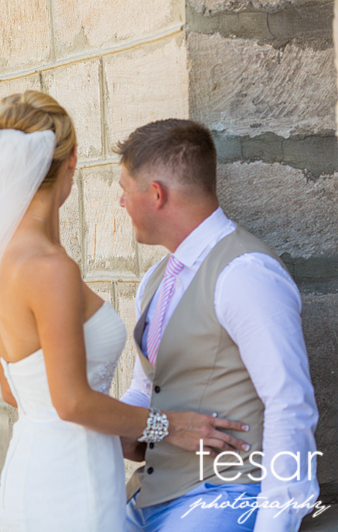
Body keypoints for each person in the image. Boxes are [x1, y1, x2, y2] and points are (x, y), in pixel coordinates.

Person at [0, 91, 249, 532]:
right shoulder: (50, 269)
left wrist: (126, 424)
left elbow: (18, 393)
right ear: (72, 160)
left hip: (28, 475)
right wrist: (169, 426)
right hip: (76, 485)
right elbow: (71, 402)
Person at [116, 119, 320, 532]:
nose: (121, 203)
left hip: (226, 497)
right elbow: (145, 387)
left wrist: (274, 525)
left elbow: (290, 404)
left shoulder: (245, 274)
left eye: (125, 190)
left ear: (156, 194)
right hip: (148, 494)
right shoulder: (156, 280)